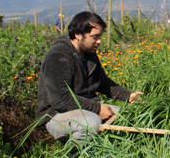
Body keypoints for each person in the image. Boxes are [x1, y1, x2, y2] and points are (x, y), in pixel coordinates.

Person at [36, 11, 144, 144]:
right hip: (56, 114)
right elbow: (61, 100)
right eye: (94, 37)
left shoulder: (89, 53)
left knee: (125, 117)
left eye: (100, 36)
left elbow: (103, 83)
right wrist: (97, 109)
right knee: (91, 123)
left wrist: (128, 96)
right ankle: (73, 153)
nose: (99, 41)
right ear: (78, 35)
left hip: (85, 108)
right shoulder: (58, 56)